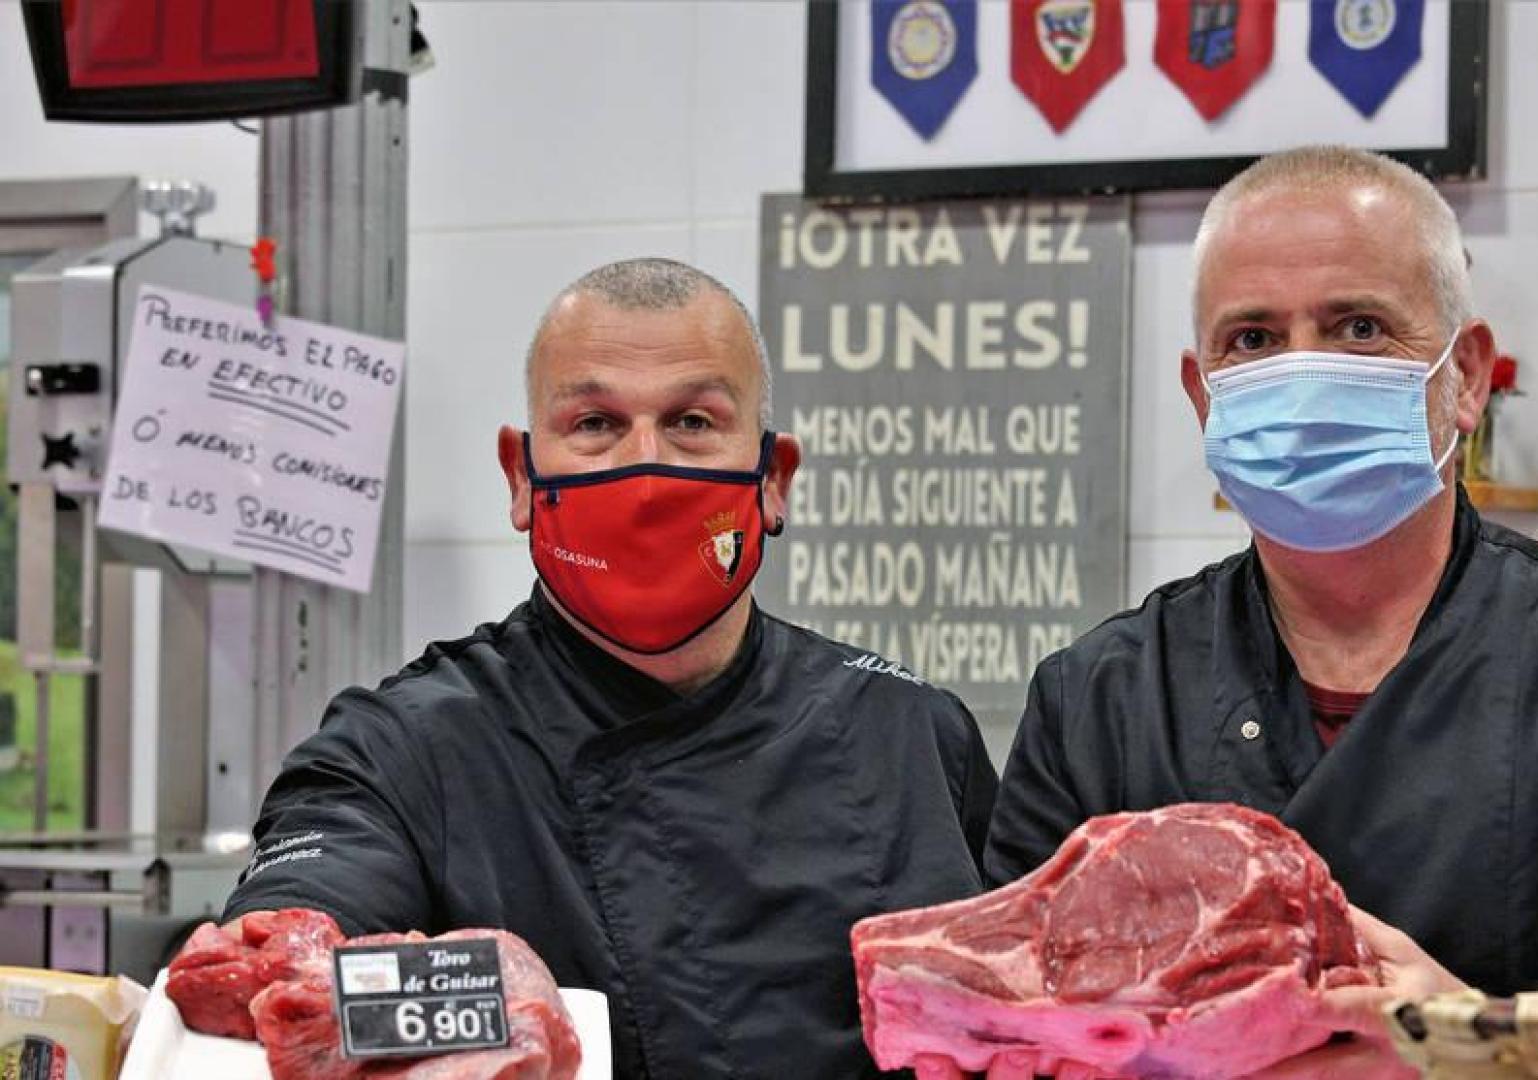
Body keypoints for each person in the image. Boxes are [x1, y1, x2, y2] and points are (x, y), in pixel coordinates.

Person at [982, 147, 1538, 1078]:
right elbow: (993, 1043)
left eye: (1358, 327)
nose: (1303, 381)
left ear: (1465, 376)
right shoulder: (1101, 698)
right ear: (1203, 395)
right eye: (1253, 340)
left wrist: (1482, 1051)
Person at [224, 258, 999, 1078]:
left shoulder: (911, 734)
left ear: (774, 480)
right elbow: (283, 958)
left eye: (693, 421)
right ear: (522, 476)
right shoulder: (400, 751)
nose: (646, 472)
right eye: (595, 423)